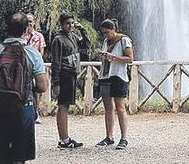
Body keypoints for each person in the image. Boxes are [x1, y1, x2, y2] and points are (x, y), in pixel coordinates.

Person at [0, 12, 48, 164]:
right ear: (26, 29)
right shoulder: (33, 54)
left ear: (5, 28)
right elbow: (42, 86)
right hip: (24, 109)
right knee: (19, 159)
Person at [50, 13, 89, 149]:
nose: (70, 26)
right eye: (68, 23)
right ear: (61, 24)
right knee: (63, 105)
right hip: (64, 75)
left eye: (72, 23)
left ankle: (64, 138)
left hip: (72, 74)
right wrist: (55, 83)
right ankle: (64, 139)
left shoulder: (72, 37)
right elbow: (56, 62)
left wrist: (82, 29)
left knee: (65, 105)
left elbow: (86, 45)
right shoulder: (58, 40)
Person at [95, 19, 134, 150]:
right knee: (108, 108)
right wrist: (102, 55)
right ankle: (109, 137)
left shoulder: (124, 40)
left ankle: (124, 138)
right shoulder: (106, 41)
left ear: (113, 29)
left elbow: (130, 59)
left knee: (120, 108)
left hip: (118, 76)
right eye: (103, 33)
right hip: (105, 75)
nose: (105, 35)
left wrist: (114, 58)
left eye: (107, 32)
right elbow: (107, 57)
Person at [22, 14, 46, 124]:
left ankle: (35, 113)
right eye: (27, 21)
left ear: (34, 22)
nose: (29, 24)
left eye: (31, 21)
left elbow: (41, 52)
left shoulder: (39, 36)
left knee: (37, 91)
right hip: (23, 67)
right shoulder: (21, 36)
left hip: (35, 66)